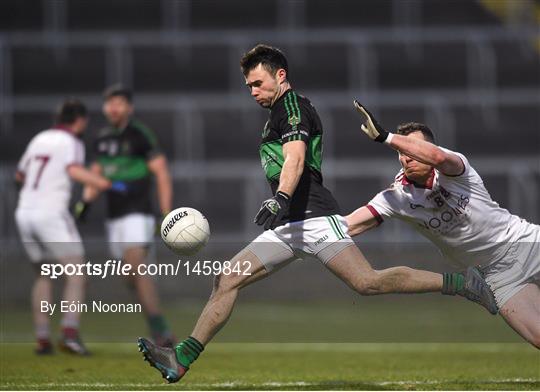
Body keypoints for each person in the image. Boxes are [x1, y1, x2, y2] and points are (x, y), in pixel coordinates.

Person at [136, 44, 498, 383]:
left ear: (280, 76)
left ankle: (463, 283)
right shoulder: (278, 112)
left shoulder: (292, 107)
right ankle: (180, 357)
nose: (253, 92)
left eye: (258, 83)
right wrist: (282, 206)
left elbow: (294, 157)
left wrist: (280, 196)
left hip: (312, 217)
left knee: (366, 283)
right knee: (227, 278)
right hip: (289, 224)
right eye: (248, 86)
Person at [346, 100, 540, 349]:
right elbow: (349, 226)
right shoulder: (397, 197)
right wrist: (303, 233)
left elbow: (436, 156)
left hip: (525, 242)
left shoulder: (455, 167)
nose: (407, 156)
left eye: (414, 149)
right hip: (497, 276)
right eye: (402, 152)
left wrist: (386, 137)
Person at [14, 99, 127, 355]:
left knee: (43, 275)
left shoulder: (40, 138)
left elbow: (19, 176)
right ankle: (69, 333)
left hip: (24, 212)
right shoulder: (70, 142)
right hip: (50, 213)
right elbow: (74, 170)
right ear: (79, 121)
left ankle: (43, 338)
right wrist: (106, 184)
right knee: (76, 274)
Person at [75, 85, 175, 347]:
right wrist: (85, 202)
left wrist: (165, 213)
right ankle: (156, 325)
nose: (114, 108)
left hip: (137, 212)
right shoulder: (102, 137)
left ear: (129, 107)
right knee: (129, 277)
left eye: (119, 103)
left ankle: (162, 330)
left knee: (135, 267)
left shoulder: (140, 135)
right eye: (110, 103)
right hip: (114, 217)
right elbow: (96, 174)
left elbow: (162, 173)